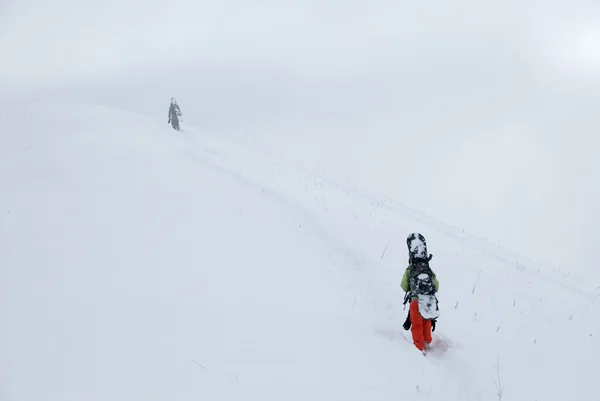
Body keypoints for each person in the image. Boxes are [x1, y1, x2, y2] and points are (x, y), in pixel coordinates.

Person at [401, 233, 439, 353]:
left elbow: (404, 286)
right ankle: (427, 341)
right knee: (427, 321)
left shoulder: (410, 269)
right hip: (428, 300)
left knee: (416, 324)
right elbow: (436, 286)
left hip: (415, 301)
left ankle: (420, 348)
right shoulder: (428, 269)